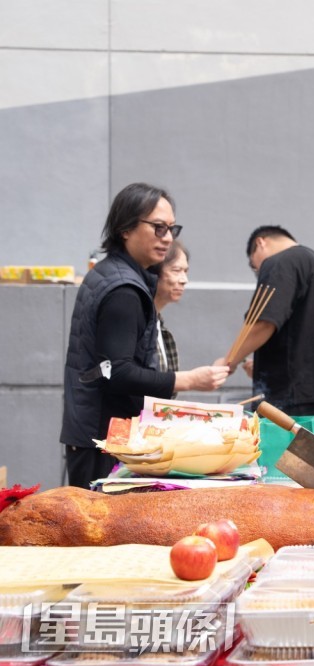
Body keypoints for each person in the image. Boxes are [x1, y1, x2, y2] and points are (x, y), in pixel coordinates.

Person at [60, 183, 229, 489]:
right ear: (125, 229)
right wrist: (189, 380)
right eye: (157, 228)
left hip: (99, 434)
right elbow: (118, 371)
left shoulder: (112, 273)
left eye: (171, 229)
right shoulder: (123, 289)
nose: (166, 238)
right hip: (106, 439)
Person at [220, 225, 314, 415]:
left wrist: (228, 361)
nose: (258, 271)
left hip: (291, 399)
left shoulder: (281, 261)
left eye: (254, 266)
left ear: (261, 242)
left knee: (282, 445)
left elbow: (263, 321)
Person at [153, 239, 190, 377]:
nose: (184, 280)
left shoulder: (156, 321)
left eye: (185, 271)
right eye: (176, 270)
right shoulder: (141, 322)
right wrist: (190, 380)